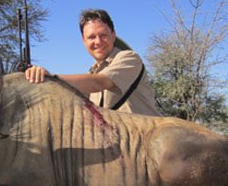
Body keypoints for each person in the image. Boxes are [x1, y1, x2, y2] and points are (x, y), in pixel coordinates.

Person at [25, 9, 161, 116]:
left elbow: (99, 82)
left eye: (103, 35)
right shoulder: (91, 73)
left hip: (152, 144)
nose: (98, 42)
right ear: (84, 41)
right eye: (91, 37)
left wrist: (51, 79)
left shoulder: (129, 58)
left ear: (113, 35)